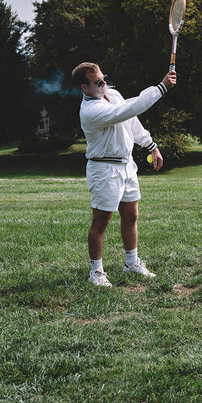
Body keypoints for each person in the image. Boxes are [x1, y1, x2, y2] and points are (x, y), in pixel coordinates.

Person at [72, 62, 177, 287]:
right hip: (104, 169)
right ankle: (96, 272)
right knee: (101, 221)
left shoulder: (113, 94)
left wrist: (151, 145)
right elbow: (128, 110)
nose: (104, 84)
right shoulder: (91, 111)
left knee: (131, 216)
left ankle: (131, 264)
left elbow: (132, 121)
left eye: (104, 78)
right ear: (84, 88)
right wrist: (160, 88)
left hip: (127, 165)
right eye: (98, 82)